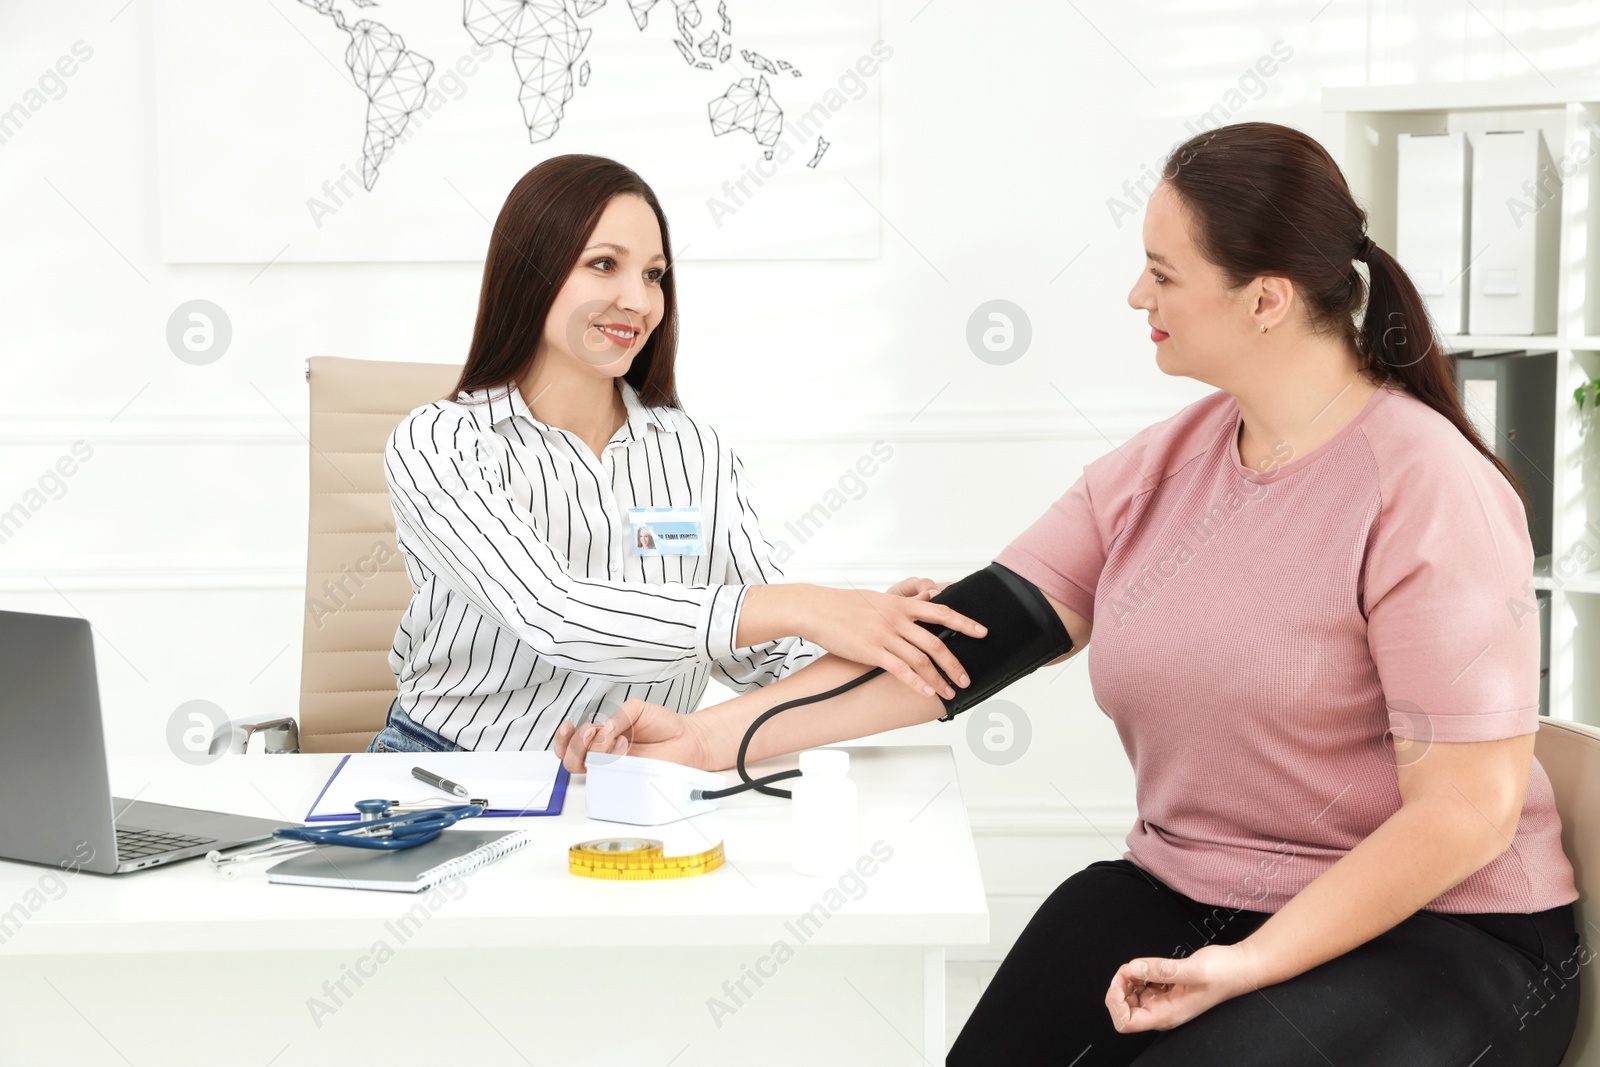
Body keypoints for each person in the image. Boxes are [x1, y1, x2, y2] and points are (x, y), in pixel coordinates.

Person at [553, 123, 1581, 1066]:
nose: (1138, 297)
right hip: (1197, 891)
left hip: (1443, 933)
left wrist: (1250, 962)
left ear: (1264, 299)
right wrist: (703, 737)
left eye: (1162, 273)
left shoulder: (1426, 485)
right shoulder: (1160, 467)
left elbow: (1465, 813)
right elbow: (959, 644)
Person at [368, 154, 985, 755]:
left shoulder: (694, 451)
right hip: (447, 773)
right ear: (531, 271)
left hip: (638, 771)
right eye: (604, 264)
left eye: (654, 274)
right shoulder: (443, 443)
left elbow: (758, 652)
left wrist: (883, 637)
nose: (639, 301)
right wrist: (805, 604)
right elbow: (554, 615)